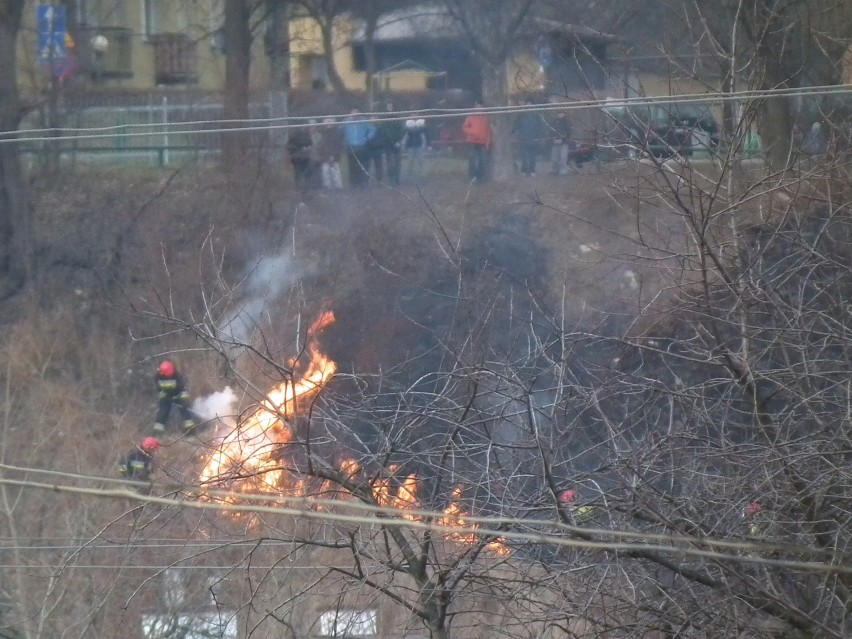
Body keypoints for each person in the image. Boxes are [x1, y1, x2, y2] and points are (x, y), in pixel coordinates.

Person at [154, 359, 195, 434]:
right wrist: (165, 398)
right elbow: (159, 390)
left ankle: (190, 431)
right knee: (162, 413)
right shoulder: (158, 376)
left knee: (185, 411)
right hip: (165, 398)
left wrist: (184, 401)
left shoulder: (177, 376)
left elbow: (182, 390)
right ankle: (157, 433)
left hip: (178, 396)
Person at [342, 108, 377, 188]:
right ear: (350, 112)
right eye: (353, 112)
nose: (355, 113)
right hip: (350, 147)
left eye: (357, 112)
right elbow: (341, 130)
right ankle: (353, 184)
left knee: (363, 165)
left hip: (362, 146)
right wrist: (344, 139)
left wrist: (367, 138)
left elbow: (373, 129)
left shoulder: (364, 121)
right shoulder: (345, 121)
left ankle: (363, 183)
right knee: (351, 165)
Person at [462, 101, 492, 183]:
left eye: (481, 107)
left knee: (483, 160)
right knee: (472, 159)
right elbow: (465, 127)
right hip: (472, 141)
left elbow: (488, 131)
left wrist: (488, 142)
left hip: (482, 142)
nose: (479, 109)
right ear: (475, 107)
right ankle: (472, 177)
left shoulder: (485, 118)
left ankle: (480, 178)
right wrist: (472, 132)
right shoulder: (471, 117)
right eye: (478, 107)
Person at [513, 98, 544, 176]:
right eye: (528, 104)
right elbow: (516, 125)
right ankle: (524, 170)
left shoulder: (537, 115)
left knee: (532, 156)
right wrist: (514, 133)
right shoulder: (521, 115)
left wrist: (539, 138)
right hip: (523, 138)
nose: (529, 105)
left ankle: (532, 170)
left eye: (531, 104)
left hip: (533, 139)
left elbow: (540, 128)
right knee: (524, 156)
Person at [377, 102, 405, 185]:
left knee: (397, 161)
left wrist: (398, 141)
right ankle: (390, 179)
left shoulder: (397, 117)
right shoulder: (384, 118)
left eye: (391, 106)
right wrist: (385, 141)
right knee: (389, 161)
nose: (390, 108)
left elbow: (401, 130)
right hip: (387, 143)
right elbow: (382, 131)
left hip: (396, 143)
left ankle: (397, 178)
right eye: (388, 106)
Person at [319, 117, 344, 190]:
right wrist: (324, 155)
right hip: (324, 156)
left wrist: (333, 155)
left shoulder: (337, 133)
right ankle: (327, 186)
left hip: (335, 155)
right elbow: (321, 145)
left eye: (330, 122)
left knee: (336, 171)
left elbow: (338, 145)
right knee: (325, 171)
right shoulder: (322, 133)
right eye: (326, 122)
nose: (328, 124)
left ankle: (338, 187)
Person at [286, 125, 314, 189]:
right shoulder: (293, 136)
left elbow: (311, 144)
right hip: (297, 159)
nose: (302, 128)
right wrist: (299, 149)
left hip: (306, 158)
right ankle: (298, 188)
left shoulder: (307, 135)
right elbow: (288, 146)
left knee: (307, 174)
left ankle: (307, 188)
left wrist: (308, 149)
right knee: (298, 174)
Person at [402, 117, 429, 183]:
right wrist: (404, 145)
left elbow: (424, 135)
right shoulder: (408, 125)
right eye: (413, 114)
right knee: (410, 161)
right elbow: (405, 135)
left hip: (419, 145)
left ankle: (422, 175)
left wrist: (425, 145)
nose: (414, 116)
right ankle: (409, 175)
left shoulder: (421, 124)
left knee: (421, 161)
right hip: (411, 146)